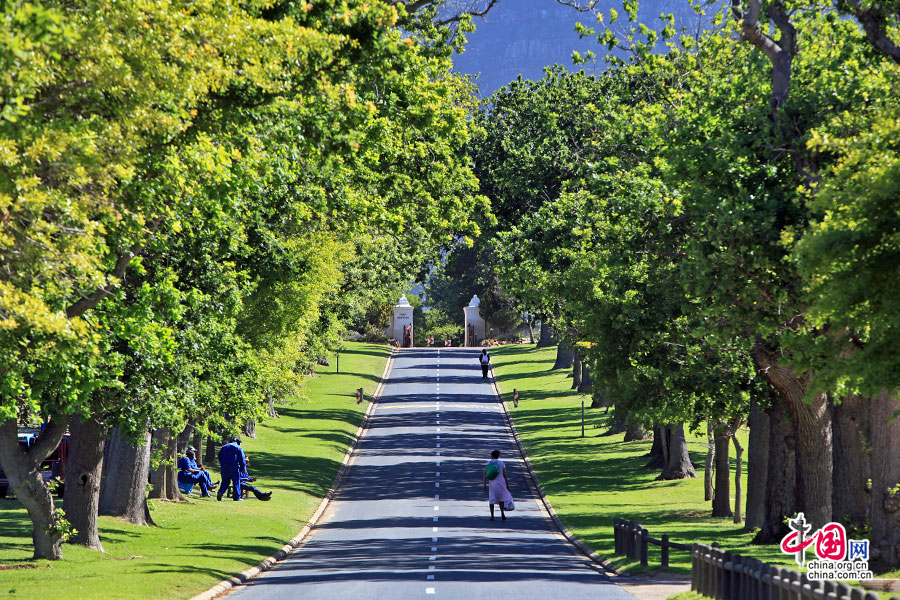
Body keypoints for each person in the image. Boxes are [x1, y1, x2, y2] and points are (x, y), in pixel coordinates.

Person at [483, 449, 512, 521]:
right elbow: (504, 475)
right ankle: (502, 513)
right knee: (501, 498)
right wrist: (507, 485)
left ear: (492, 456)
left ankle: (492, 515)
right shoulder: (501, 463)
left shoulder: (489, 463)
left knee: (492, 498)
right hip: (501, 482)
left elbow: (485, 473)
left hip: (492, 483)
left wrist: (484, 483)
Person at [217, 436, 246, 501]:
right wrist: (243, 468)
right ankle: (237, 497)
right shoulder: (238, 447)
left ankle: (221, 491)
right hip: (234, 467)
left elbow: (219, 456)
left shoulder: (224, 447)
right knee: (236, 482)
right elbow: (242, 459)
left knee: (225, 481)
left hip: (224, 467)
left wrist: (222, 464)